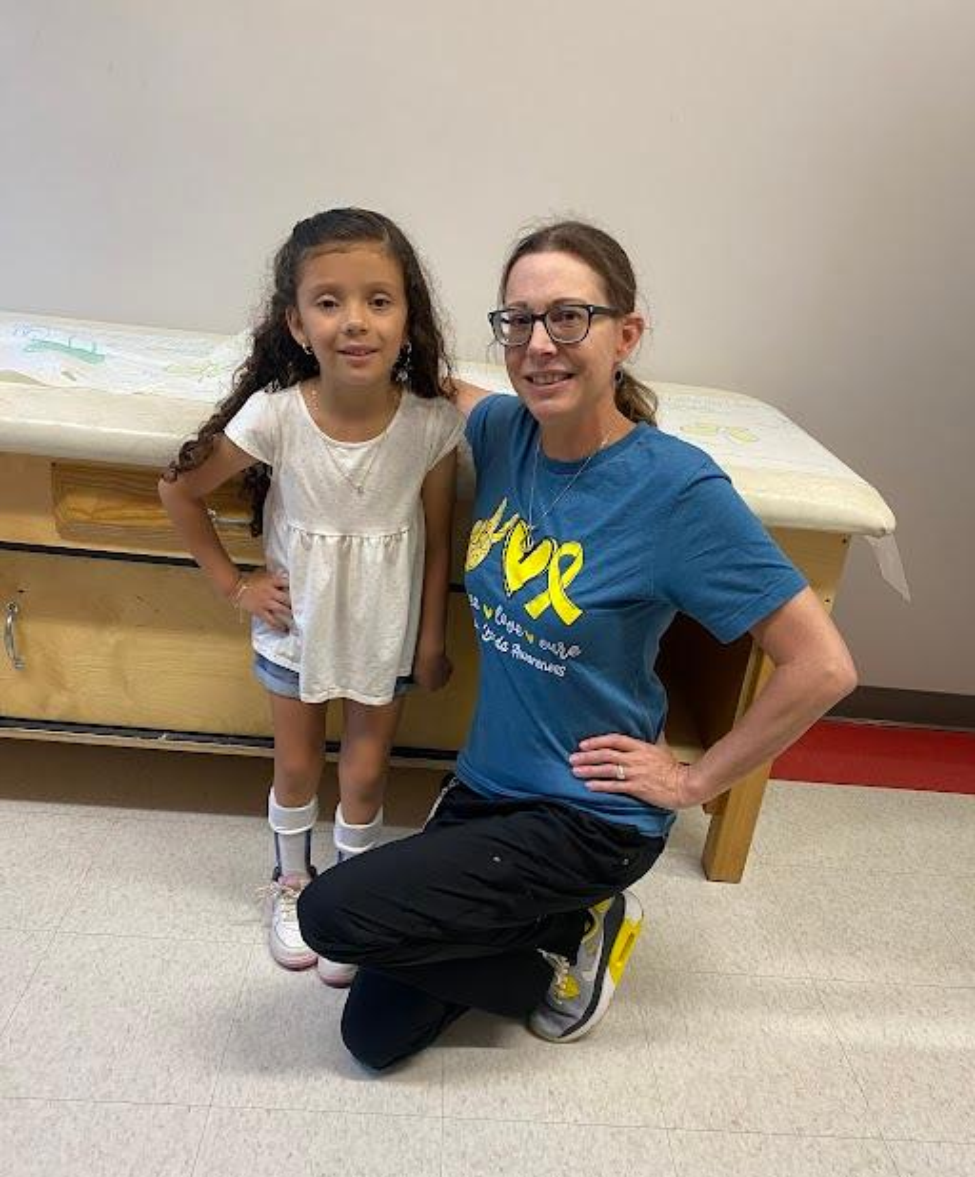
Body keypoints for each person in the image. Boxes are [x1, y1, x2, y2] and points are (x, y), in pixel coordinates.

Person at [296, 218, 857, 1069]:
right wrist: (334, 341)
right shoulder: (502, 433)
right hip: (486, 790)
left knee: (330, 916)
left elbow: (822, 665)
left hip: (588, 813)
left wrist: (694, 780)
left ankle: (580, 928)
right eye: (517, 321)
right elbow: (421, 381)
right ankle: (556, 929)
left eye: (568, 317)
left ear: (625, 336)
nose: (537, 346)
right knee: (371, 1035)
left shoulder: (676, 490)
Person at [159, 207, 462, 984]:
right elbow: (180, 492)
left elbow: (433, 541)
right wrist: (237, 586)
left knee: (364, 775)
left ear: (406, 318)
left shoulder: (431, 426)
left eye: (377, 300)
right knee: (296, 768)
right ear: (295, 322)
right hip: (296, 630)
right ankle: (292, 882)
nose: (354, 322)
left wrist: (431, 638)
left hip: (384, 633)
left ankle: (349, 898)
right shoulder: (276, 414)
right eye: (328, 302)